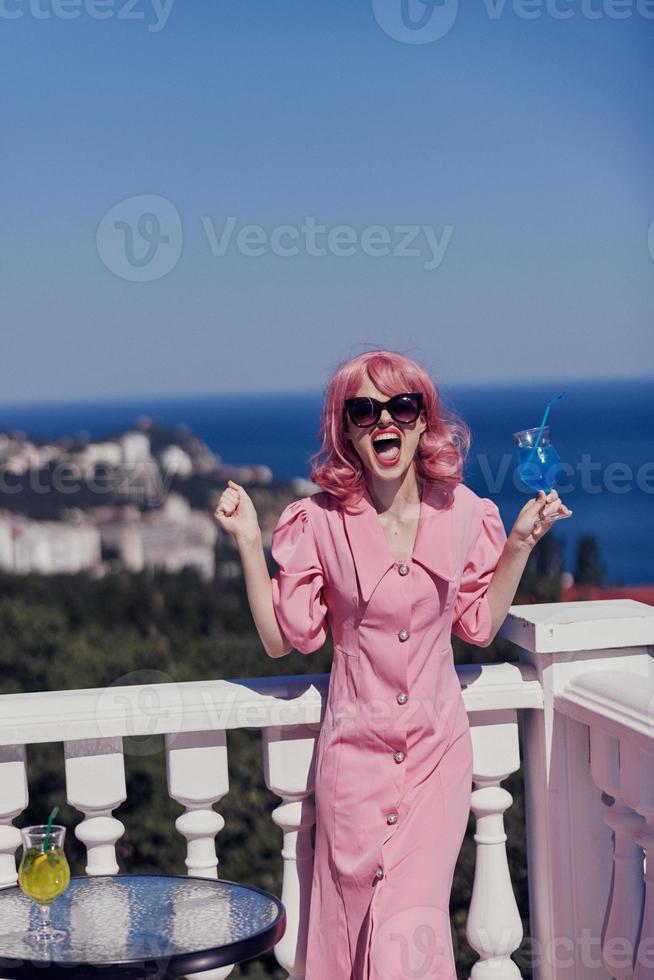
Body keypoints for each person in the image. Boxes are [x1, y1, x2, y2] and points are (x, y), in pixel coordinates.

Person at [214, 349, 572, 979]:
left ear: (422, 420)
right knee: (349, 933)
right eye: (364, 409)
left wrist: (518, 543)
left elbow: (479, 626)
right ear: (346, 428)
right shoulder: (318, 524)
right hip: (353, 766)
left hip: (437, 760)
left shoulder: (464, 514)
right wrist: (248, 541)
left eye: (401, 406)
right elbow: (283, 640)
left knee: (411, 927)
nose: (385, 420)